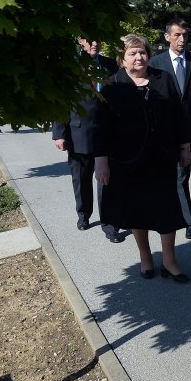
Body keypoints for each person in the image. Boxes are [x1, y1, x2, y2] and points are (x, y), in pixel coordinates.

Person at [94, 34, 191, 282]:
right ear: (122, 59)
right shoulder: (112, 85)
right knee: (137, 210)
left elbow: (178, 116)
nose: (139, 57)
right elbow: (101, 126)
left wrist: (184, 146)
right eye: (132, 53)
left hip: (162, 158)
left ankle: (169, 261)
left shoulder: (163, 79)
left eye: (142, 52)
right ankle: (146, 257)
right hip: (127, 161)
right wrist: (101, 160)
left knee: (166, 209)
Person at [52, 38, 122, 241]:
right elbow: (61, 101)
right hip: (79, 131)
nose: (94, 43)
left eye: (98, 39)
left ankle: (109, 223)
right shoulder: (70, 66)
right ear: (79, 41)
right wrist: (59, 133)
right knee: (81, 178)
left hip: (107, 132)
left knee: (107, 179)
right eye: (89, 39)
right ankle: (83, 214)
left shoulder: (110, 65)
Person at [150, 18, 191, 239]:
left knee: (182, 174)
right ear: (167, 37)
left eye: (184, 35)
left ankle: (178, 215)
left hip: (190, 129)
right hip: (165, 130)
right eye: (177, 35)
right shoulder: (155, 63)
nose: (182, 39)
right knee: (175, 176)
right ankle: (188, 221)